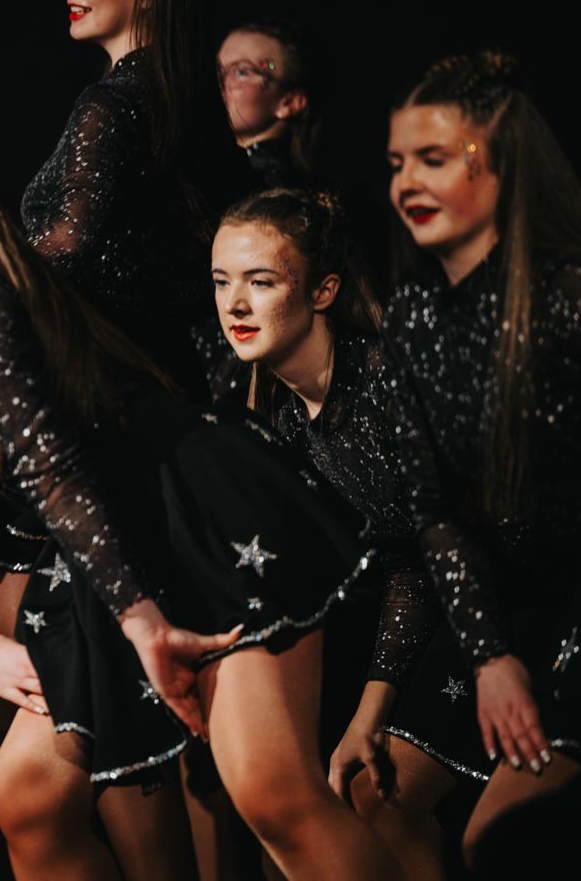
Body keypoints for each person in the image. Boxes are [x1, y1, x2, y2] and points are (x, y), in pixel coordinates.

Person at [0, 69, 398, 880]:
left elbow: (49, 461)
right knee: (29, 797)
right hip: (99, 535)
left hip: (180, 502)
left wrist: (141, 619)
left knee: (272, 796)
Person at [212, 188, 482, 876]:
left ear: (323, 290)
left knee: (377, 794)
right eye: (220, 281)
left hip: (498, 601)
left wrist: (370, 711)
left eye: (260, 282)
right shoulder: (275, 414)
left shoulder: (385, 380)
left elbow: (428, 557)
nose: (234, 304)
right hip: (413, 613)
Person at [379, 52, 581, 871]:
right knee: (378, 796)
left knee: (498, 838)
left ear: (503, 167)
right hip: (503, 606)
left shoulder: (567, 300)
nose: (407, 183)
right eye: (396, 163)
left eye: (433, 159)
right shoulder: (411, 315)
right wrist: (491, 655)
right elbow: (432, 510)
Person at [22, 0, 250, 398]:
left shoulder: (112, 103)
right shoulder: (183, 101)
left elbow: (67, 245)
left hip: (114, 385)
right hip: (173, 378)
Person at [217, 20, 321, 187]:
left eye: (242, 72)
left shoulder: (269, 185)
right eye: (218, 70)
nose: (222, 82)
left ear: (289, 102)